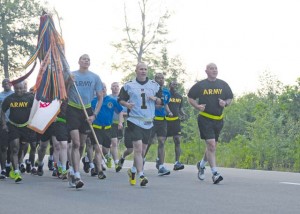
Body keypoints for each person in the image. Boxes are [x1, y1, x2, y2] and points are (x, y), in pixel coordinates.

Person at [187, 63, 233, 184]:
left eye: (216, 68)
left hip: (218, 119)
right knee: (211, 145)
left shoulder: (223, 84)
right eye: (211, 69)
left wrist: (225, 103)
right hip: (205, 118)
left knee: (212, 147)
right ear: (206, 71)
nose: (214, 70)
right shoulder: (201, 85)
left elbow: (229, 98)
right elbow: (190, 97)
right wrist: (197, 106)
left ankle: (201, 165)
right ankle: (215, 173)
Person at [118, 62, 162, 187]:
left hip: (148, 121)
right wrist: (127, 105)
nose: (143, 71)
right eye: (141, 69)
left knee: (142, 151)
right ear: (136, 70)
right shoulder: (129, 85)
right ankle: (141, 175)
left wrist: (156, 99)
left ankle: (132, 170)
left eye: (145, 69)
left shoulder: (154, 85)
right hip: (134, 120)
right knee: (137, 148)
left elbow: (162, 101)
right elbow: (120, 100)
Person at [66, 54, 103, 189]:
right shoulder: (71, 75)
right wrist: (69, 82)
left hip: (86, 111)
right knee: (75, 143)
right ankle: (77, 174)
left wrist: (94, 115)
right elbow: (63, 91)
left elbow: (100, 97)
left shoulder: (95, 77)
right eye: (83, 59)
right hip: (72, 109)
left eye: (88, 59)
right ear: (79, 61)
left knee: (81, 145)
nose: (86, 61)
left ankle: (71, 170)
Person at [1, 81, 35, 182]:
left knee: (22, 149)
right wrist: (3, 124)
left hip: (25, 127)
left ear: (23, 88)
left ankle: (18, 164)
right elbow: (2, 111)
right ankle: (16, 172)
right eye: (17, 89)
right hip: (13, 126)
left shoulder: (29, 98)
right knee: (15, 148)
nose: (19, 90)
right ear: (14, 88)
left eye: (20, 88)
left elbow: (37, 108)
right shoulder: (10, 98)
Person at [89, 83, 123, 179]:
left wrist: (120, 122)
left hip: (108, 129)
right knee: (98, 149)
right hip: (96, 129)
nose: (102, 90)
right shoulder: (93, 101)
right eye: (100, 88)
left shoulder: (111, 100)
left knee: (105, 150)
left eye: (104, 88)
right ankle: (100, 171)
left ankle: (97, 162)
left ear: (106, 89)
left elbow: (120, 111)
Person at [144, 73, 172, 176]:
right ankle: (142, 158)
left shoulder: (166, 92)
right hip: (152, 119)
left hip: (162, 120)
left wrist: (169, 112)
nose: (161, 80)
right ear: (154, 80)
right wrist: (155, 107)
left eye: (162, 78)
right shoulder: (151, 90)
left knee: (161, 141)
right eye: (158, 78)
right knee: (148, 141)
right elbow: (146, 104)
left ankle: (161, 165)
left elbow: (166, 104)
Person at [166, 81, 187, 171]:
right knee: (161, 141)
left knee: (177, 140)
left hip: (175, 121)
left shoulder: (179, 97)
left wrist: (184, 114)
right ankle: (159, 162)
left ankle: (177, 162)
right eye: (173, 84)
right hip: (165, 121)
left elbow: (180, 108)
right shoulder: (166, 95)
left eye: (176, 85)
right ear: (169, 85)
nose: (175, 86)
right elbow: (164, 105)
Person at [0, 79, 14, 179]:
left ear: (11, 84)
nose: (6, 84)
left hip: (14, 123)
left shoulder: (14, 95)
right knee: (3, 147)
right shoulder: (0, 95)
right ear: (2, 85)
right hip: (2, 123)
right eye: (4, 83)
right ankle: (3, 169)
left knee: (13, 147)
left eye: (8, 83)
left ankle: (9, 164)